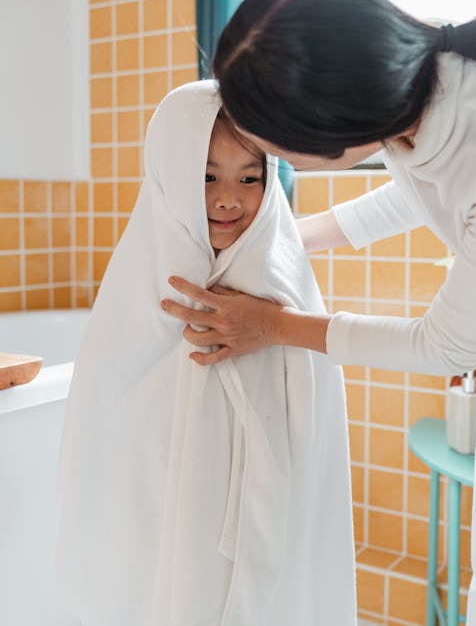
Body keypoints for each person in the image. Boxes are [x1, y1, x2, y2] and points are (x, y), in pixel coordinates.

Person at [160, 0, 476, 625]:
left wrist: (274, 324)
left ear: (331, 140)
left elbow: (448, 344)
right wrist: (284, 240)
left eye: (265, 158)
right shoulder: (412, 73)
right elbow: (417, 187)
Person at [56, 80, 356, 626]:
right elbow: (106, 421)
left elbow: (311, 415)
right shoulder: (138, 288)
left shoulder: (281, 278)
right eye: (206, 176)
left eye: (250, 178)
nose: (227, 197)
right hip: (162, 524)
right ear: (169, 175)